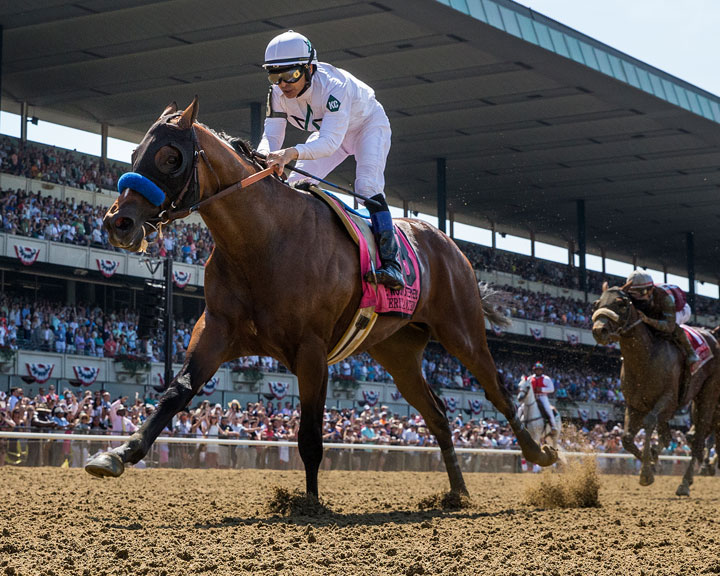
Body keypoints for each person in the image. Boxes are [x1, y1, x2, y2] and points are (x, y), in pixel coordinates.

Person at [258, 30, 404, 291]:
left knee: (366, 188)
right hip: (329, 131)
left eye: (290, 75)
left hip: (366, 127)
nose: (283, 84)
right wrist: (260, 159)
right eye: (274, 76)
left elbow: (330, 144)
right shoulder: (276, 94)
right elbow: (270, 137)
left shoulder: (335, 87)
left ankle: (392, 263)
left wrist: (289, 153)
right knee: (294, 182)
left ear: (310, 68)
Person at [623, 270, 699, 373]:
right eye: (633, 293)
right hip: (656, 309)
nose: (637, 297)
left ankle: (691, 353)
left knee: (671, 329)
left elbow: (669, 326)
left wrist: (648, 320)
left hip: (680, 310)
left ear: (650, 290)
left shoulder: (665, 298)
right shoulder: (635, 295)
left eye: (642, 292)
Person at [528, 362, 557, 432]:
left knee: (548, 409)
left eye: (540, 370)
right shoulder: (530, 378)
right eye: (537, 369)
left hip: (542, 397)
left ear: (542, 370)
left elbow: (552, 389)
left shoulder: (546, 378)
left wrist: (541, 389)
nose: (538, 371)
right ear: (534, 370)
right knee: (521, 408)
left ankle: (553, 426)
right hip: (532, 397)